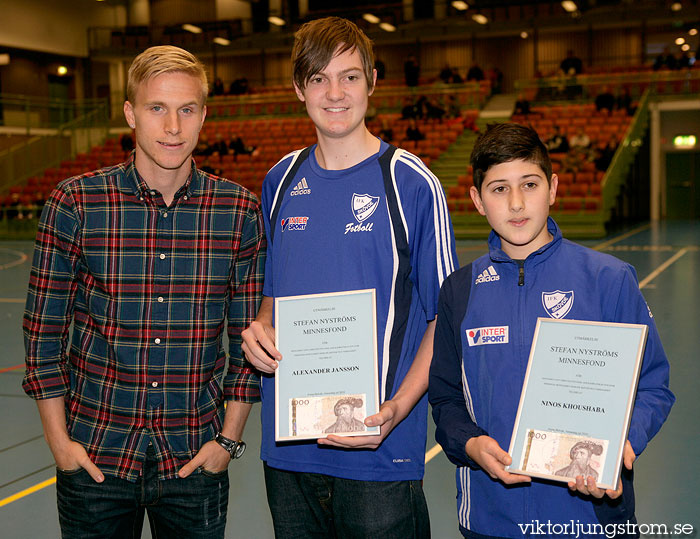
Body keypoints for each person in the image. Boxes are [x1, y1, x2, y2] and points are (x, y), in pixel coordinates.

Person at [22, 45, 266, 539]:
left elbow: (247, 341)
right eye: (157, 108)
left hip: (196, 460)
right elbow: (43, 335)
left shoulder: (238, 211)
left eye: (187, 109)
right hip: (94, 456)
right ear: (131, 113)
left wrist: (229, 442)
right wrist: (59, 443)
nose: (173, 126)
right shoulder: (75, 203)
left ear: (204, 115)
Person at [241, 16, 457, 538]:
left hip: (379, 451)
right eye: (318, 78)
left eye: (350, 76)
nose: (335, 93)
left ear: (373, 81)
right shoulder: (280, 179)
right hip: (289, 451)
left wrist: (397, 409)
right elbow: (273, 297)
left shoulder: (412, 183)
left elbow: (442, 319)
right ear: (299, 88)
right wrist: (259, 331)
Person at [428, 122, 674, 538]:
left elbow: (653, 386)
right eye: (499, 189)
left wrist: (623, 444)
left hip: (591, 517)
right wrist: (470, 444)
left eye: (530, 183)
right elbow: (446, 397)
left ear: (553, 188)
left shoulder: (609, 279)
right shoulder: (460, 290)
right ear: (477, 200)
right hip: (490, 519)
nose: (517, 203)